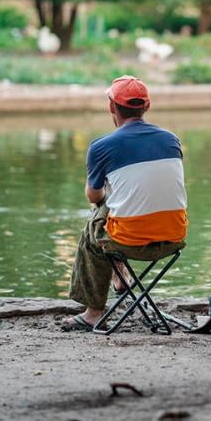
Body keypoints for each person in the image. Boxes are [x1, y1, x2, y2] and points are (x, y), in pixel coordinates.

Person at [63, 75, 188, 331]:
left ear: (112, 107)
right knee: (122, 208)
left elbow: (93, 197)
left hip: (130, 242)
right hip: (173, 237)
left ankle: (93, 312)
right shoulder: (171, 139)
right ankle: (121, 280)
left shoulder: (101, 147)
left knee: (95, 222)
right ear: (147, 106)